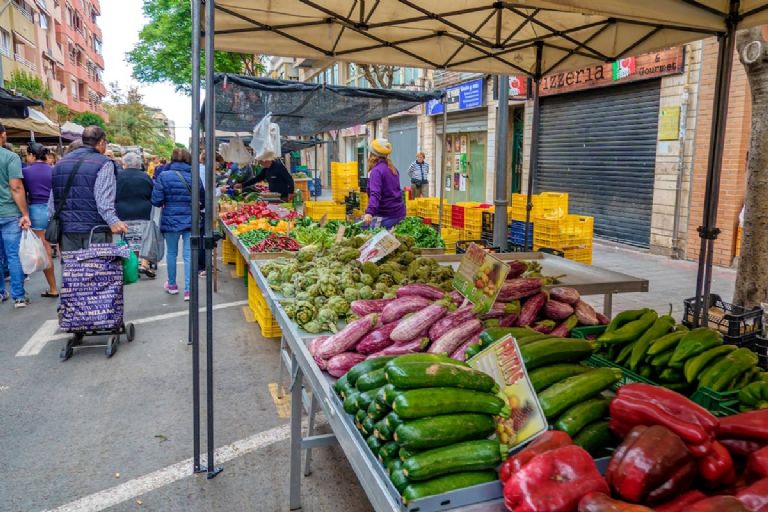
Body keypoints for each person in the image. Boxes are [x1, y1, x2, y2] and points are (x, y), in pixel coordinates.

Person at [49, 126, 128, 252]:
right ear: (101, 142)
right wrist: (113, 221)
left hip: (67, 230)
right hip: (95, 230)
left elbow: (52, 202)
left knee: (72, 270)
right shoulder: (104, 163)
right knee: (97, 269)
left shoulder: (60, 163)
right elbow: (103, 201)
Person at [152, 148, 202, 301]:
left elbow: (156, 200)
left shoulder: (164, 176)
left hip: (170, 219)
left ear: (172, 159)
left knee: (172, 253)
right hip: (190, 219)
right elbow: (203, 197)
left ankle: (172, 285)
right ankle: (189, 290)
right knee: (188, 254)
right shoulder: (194, 176)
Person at [0, 123, 31, 307]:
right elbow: (16, 187)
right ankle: (18, 296)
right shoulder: (10, 157)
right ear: (3, 135)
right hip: (10, 213)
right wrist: (25, 213)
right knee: (13, 255)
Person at [22, 142, 58, 298]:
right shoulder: (54, 170)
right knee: (63, 247)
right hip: (55, 209)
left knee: (45, 250)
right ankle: (72, 284)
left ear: (31, 155)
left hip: (36, 210)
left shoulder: (26, 172)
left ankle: (53, 288)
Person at [116, 152, 156, 278]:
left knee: (127, 238)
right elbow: (152, 194)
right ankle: (143, 264)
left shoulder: (118, 176)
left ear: (125, 164)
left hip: (123, 212)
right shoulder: (145, 177)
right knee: (143, 238)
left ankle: (130, 266)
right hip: (143, 211)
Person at [363, 138, 406, 229]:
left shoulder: (377, 171)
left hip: (386, 216)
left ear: (372, 155)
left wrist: (369, 212)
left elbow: (375, 194)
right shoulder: (392, 169)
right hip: (399, 213)